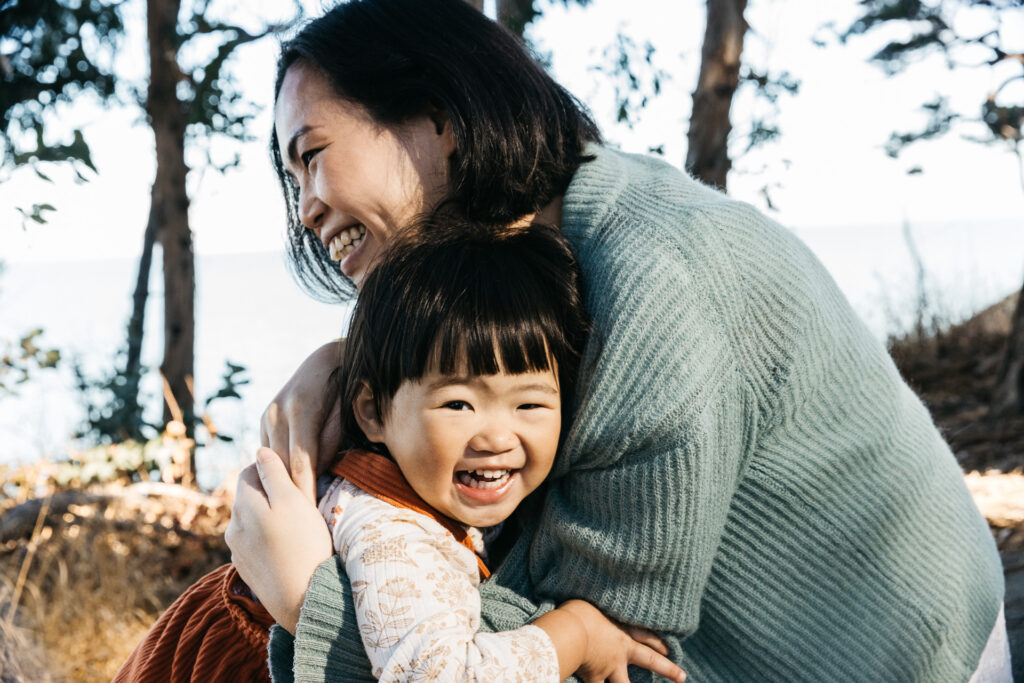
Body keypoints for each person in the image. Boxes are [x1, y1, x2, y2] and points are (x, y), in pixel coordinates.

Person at [224, 0, 1010, 681]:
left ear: (439, 118)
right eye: (292, 182)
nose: (305, 209)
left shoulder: (658, 286)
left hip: (894, 654)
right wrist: (347, 363)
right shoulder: (539, 241)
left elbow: (594, 658)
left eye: (312, 157)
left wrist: (306, 599)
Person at [307, 217, 684, 682]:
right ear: (374, 412)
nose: (496, 439)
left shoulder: (435, 488)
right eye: (458, 404)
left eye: (529, 404)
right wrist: (579, 632)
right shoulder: (390, 532)